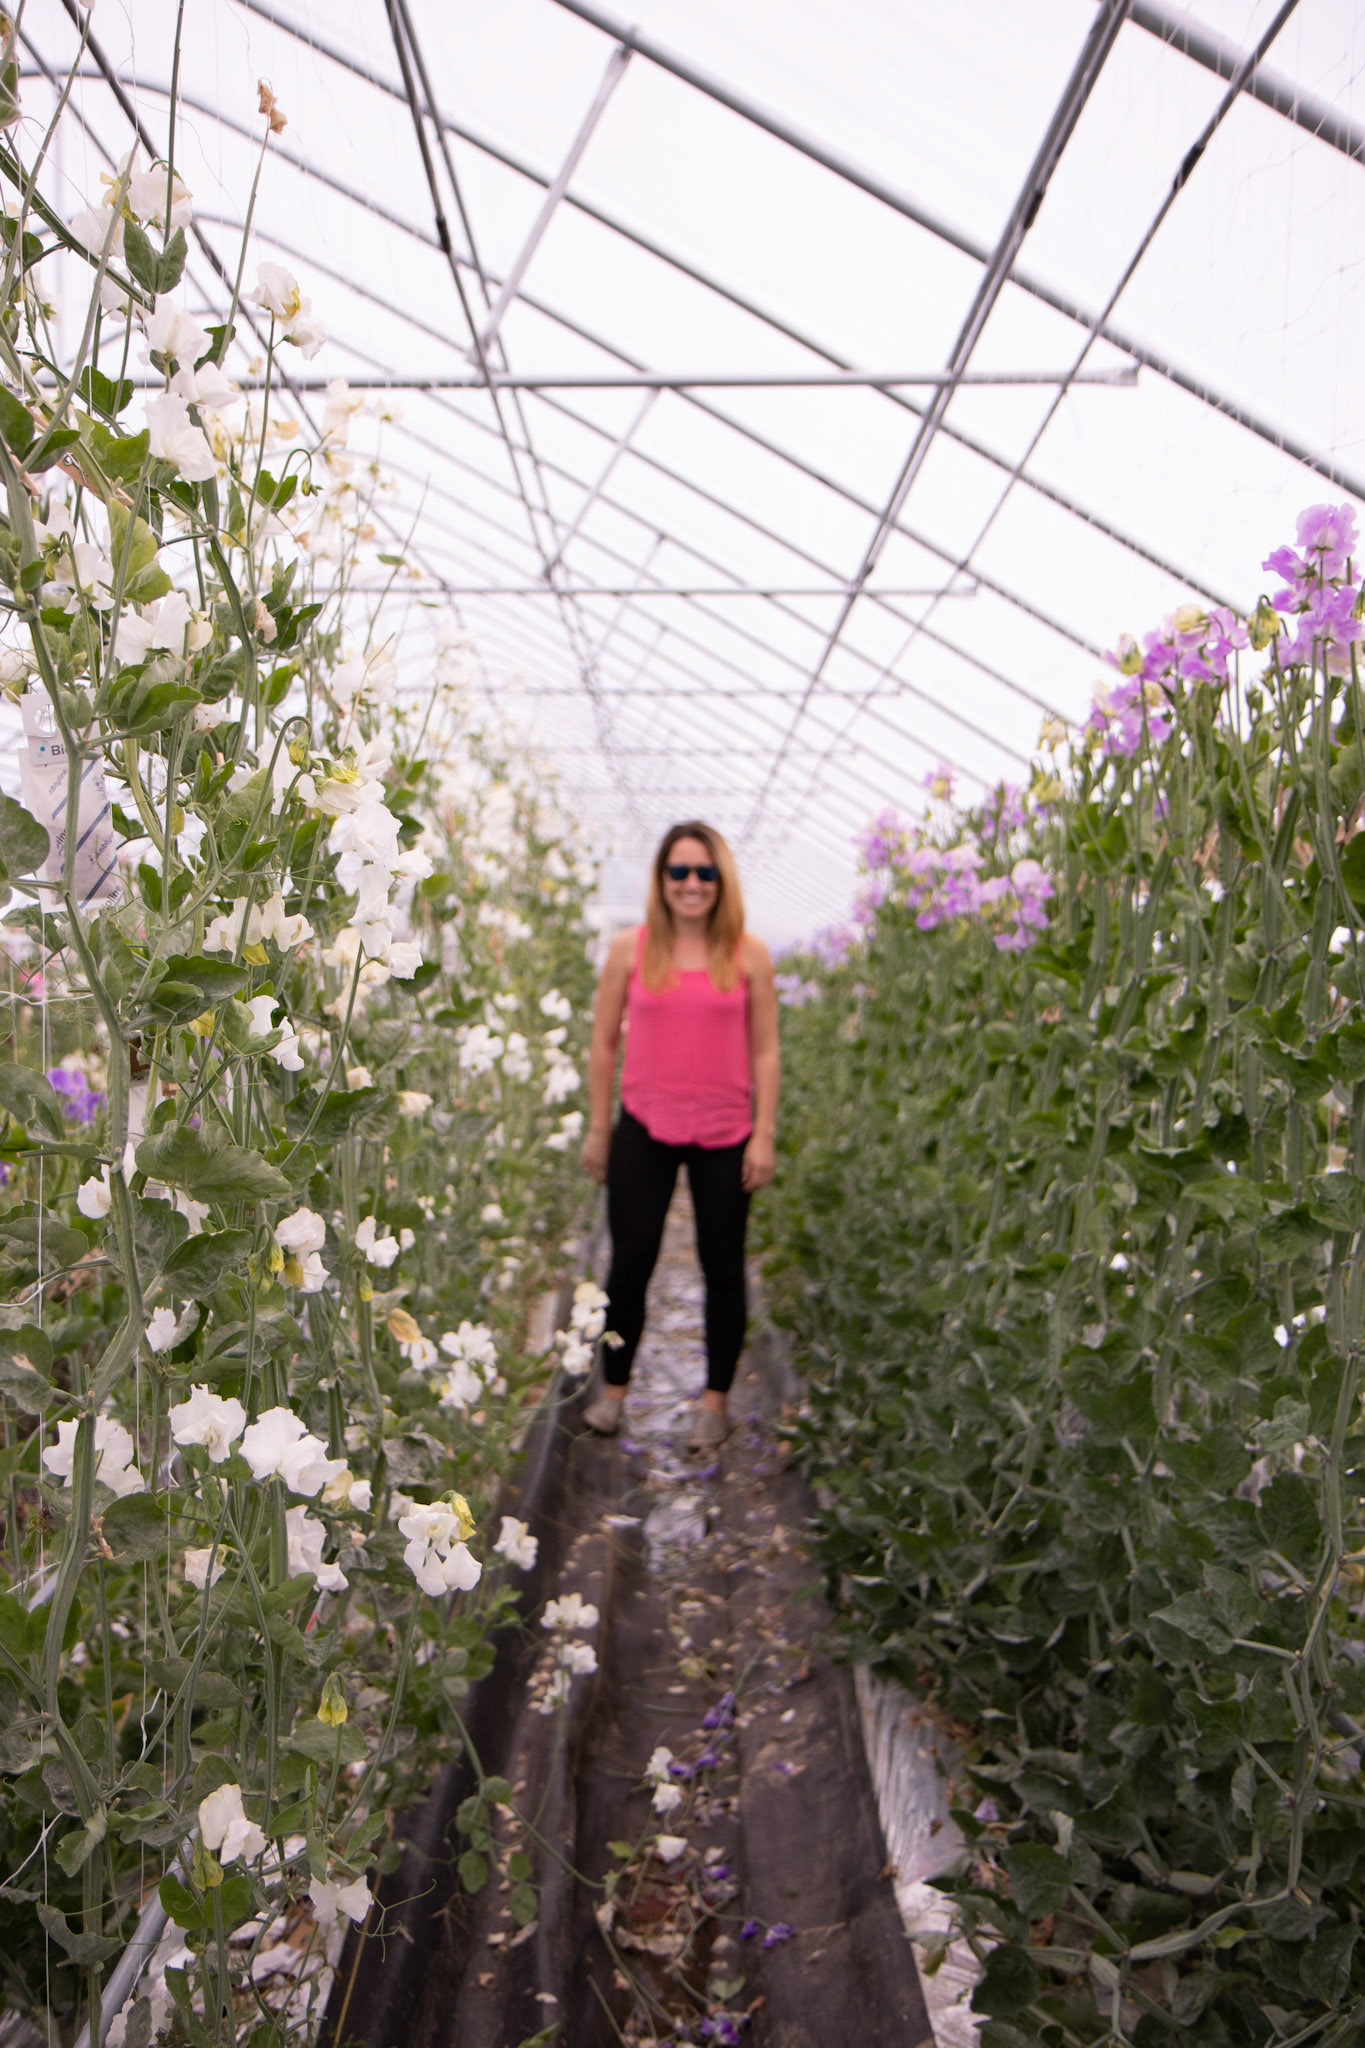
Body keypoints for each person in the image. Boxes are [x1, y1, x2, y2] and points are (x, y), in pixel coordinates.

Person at [579, 821, 779, 1451]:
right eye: (679, 872)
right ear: (662, 880)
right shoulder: (630, 950)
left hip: (726, 1131)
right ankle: (614, 1393)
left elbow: (766, 1051)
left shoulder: (749, 955)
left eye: (705, 872)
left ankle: (714, 1404)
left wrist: (764, 1134)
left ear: (722, 881)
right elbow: (603, 1044)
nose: (692, 884)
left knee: (724, 1269)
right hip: (644, 1125)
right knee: (629, 1265)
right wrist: (599, 1128)